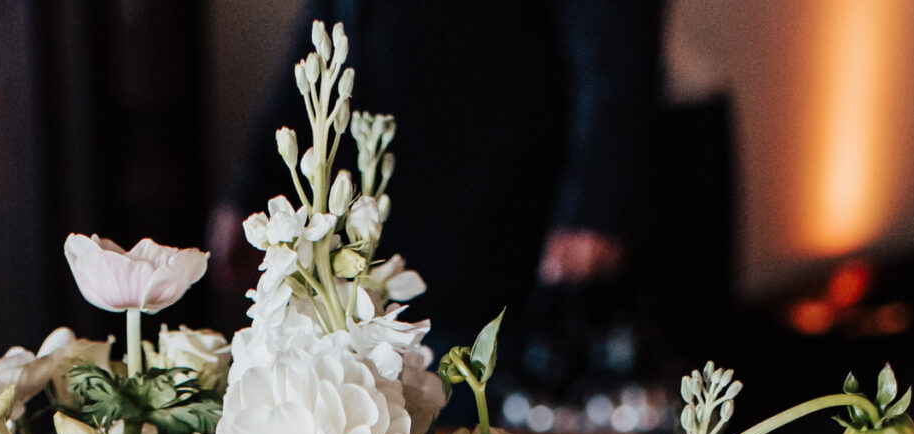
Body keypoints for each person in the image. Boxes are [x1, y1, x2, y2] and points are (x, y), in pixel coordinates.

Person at [211, 0, 664, 373]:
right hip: (371, 233)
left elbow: (614, 49)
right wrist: (252, 186)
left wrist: (597, 207)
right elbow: (330, 23)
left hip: (496, 223)